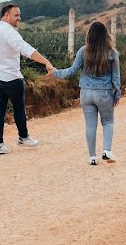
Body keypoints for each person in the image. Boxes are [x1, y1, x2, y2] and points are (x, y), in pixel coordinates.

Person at [49, 21, 121, 166]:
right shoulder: (112, 53)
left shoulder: (83, 51)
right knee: (107, 122)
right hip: (104, 93)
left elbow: (71, 71)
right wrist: (117, 93)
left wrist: (55, 72)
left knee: (90, 126)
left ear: (90, 35)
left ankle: (92, 157)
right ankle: (106, 151)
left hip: (86, 93)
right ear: (106, 35)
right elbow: (116, 77)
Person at [0, 4, 55, 154]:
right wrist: (46, 62)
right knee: (19, 108)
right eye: (16, 15)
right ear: (6, 15)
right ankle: (23, 138)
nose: (19, 18)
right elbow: (27, 50)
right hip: (11, 77)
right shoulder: (10, 33)